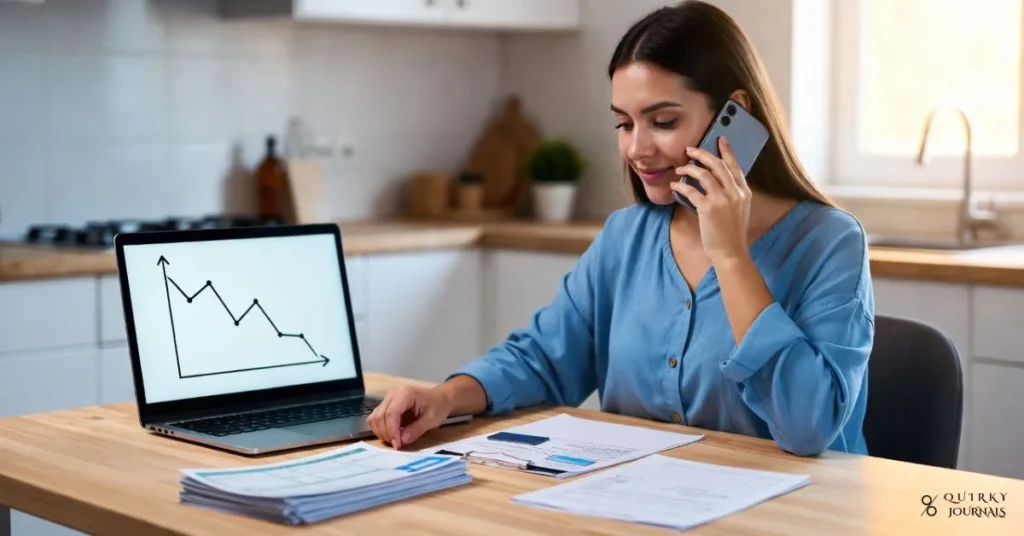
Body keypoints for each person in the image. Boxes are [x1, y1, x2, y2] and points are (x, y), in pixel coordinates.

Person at [367, 0, 874, 457]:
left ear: (733, 114)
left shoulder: (830, 243)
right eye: (625, 124)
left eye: (663, 121)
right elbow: (544, 358)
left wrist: (733, 257)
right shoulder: (626, 237)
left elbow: (808, 427)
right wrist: (443, 397)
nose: (636, 149)